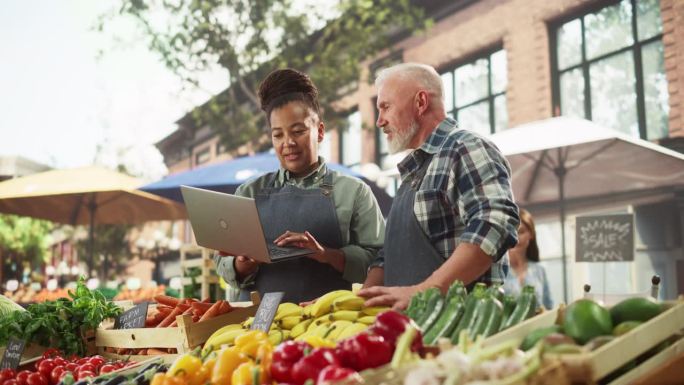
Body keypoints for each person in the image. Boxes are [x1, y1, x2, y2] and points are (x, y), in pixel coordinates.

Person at [213, 68, 386, 303]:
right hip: (255, 326)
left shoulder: (354, 192)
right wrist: (242, 264)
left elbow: (379, 259)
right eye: (278, 135)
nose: (288, 143)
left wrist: (326, 254)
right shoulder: (248, 192)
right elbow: (222, 262)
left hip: (325, 322)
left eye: (298, 131)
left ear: (320, 131)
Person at [358, 63, 519, 310]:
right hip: (413, 331)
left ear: (420, 102)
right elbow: (389, 257)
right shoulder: (412, 174)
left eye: (385, 107)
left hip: (461, 328)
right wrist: (354, 304)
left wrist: (423, 292)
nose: (380, 122)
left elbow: (494, 223)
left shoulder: (464, 147)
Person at [503, 208, 553, 309]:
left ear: (531, 234)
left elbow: (548, 307)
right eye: (511, 232)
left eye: (521, 232)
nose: (516, 238)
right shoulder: (497, 271)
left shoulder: (540, 270)